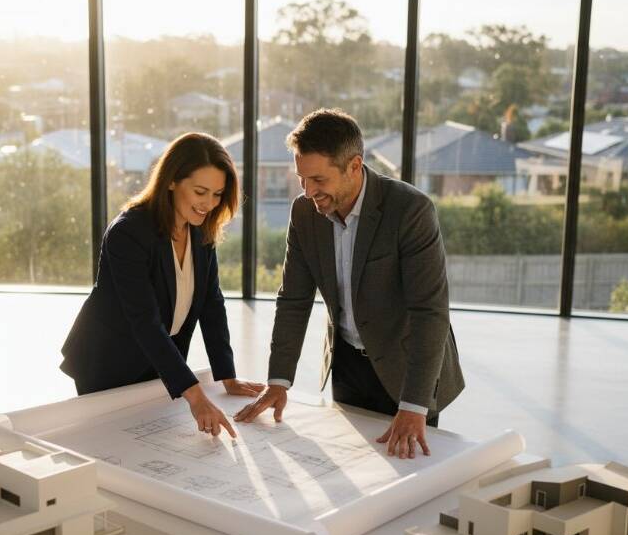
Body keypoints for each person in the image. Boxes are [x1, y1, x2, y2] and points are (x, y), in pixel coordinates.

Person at [235, 109, 464, 459]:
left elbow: (429, 312)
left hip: (407, 368)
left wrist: (414, 405)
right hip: (347, 367)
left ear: (354, 166)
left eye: (319, 180)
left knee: (408, 474)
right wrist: (278, 380)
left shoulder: (411, 210)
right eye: (302, 179)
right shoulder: (303, 213)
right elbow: (293, 299)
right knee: (356, 466)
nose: (309, 191)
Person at [60, 132, 264, 438]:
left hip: (159, 362)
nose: (209, 204)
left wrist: (227, 376)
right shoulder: (128, 233)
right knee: (114, 448)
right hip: (108, 363)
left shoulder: (200, 230)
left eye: (218, 194)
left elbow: (212, 304)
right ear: (171, 181)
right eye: (200, 191)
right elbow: (144, 321)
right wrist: (196, 398)